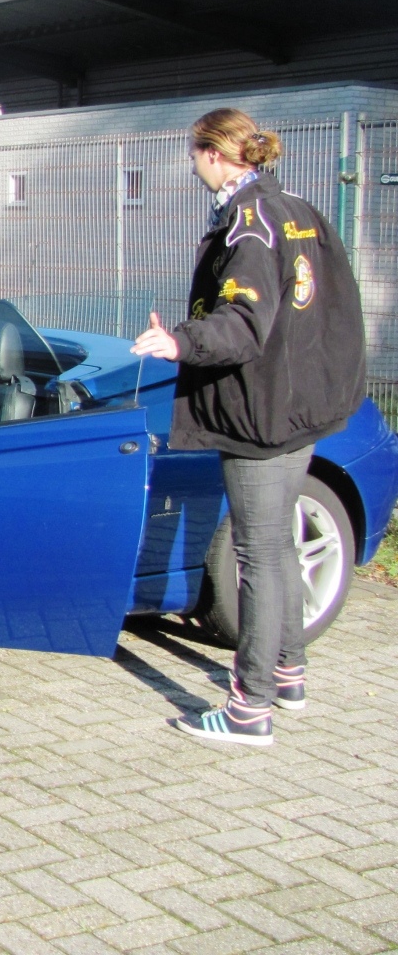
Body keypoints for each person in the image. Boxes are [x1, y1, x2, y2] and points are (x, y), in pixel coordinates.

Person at [131, 108, 364, 746]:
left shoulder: (250, 223)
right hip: (298, 406)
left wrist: (179, 343)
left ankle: (249, 707)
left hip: (259, 411)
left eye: (194, 154)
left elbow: (243, 324)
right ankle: (288, 671)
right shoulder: (298, 210)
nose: (192, 166)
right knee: (277, 544)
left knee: (256, 554)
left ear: (213, 153)